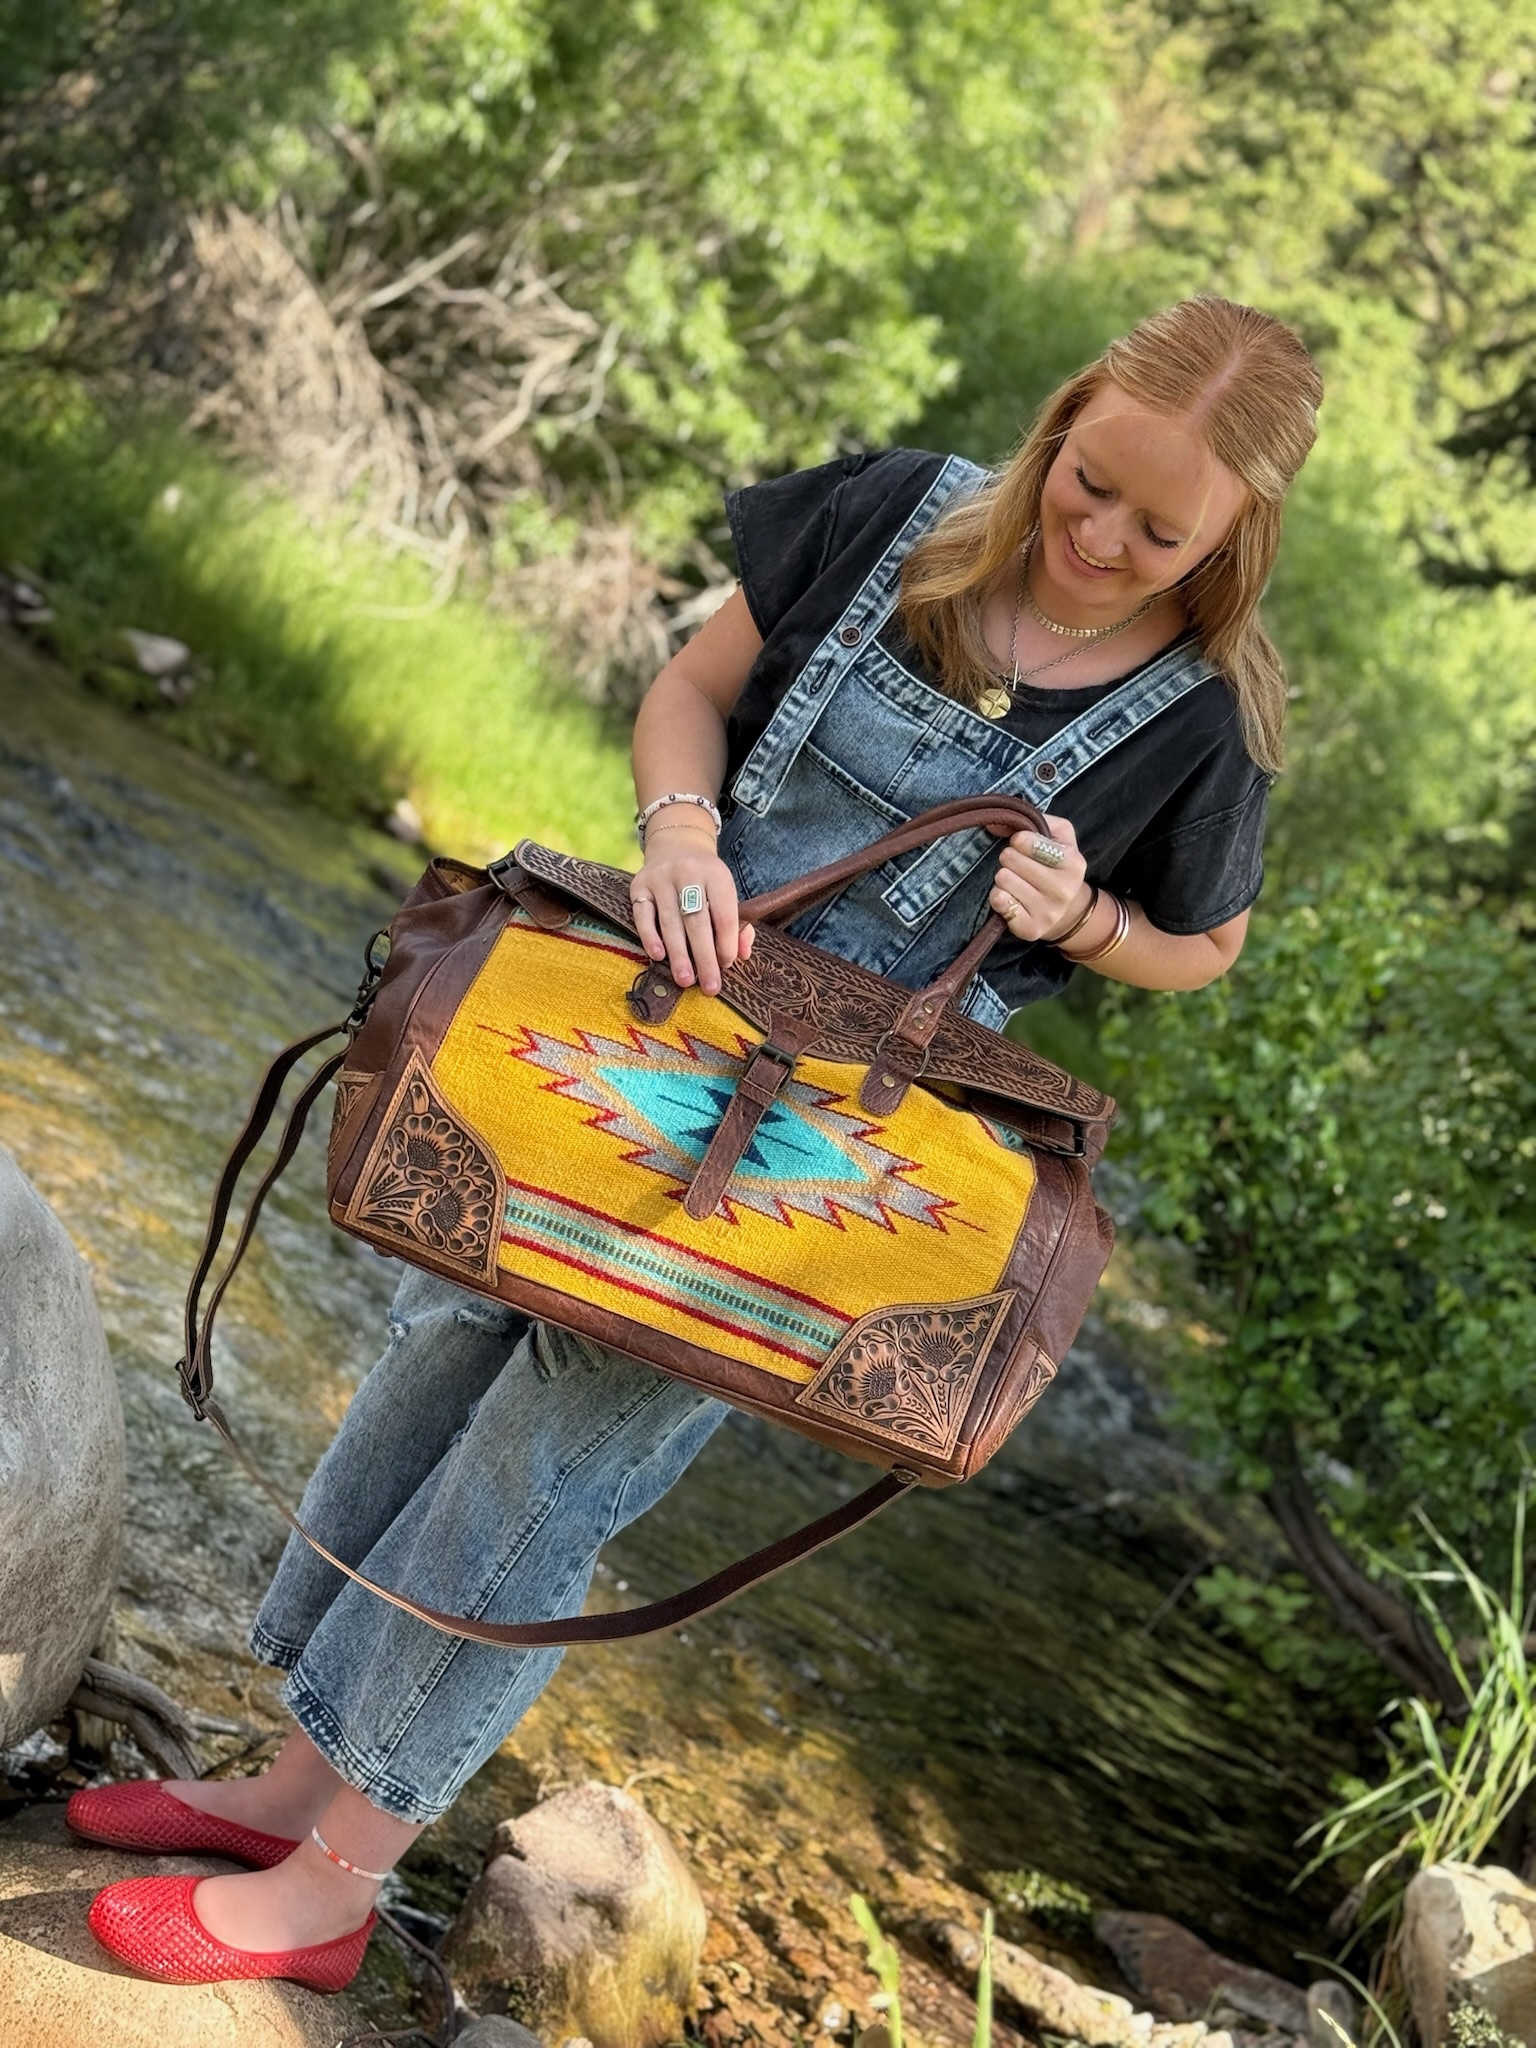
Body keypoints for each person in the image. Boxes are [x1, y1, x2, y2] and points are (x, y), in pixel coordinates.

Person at [68, 293, 1321, 1989]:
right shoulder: (899, 513)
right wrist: (679, 832)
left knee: (553, 1462)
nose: (1099, 537)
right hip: (637, 1030)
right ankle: (295, 1780)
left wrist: (1093, 918)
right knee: (452, 1345)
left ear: (1238, 536)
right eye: (1087, 482)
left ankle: (341, 1881)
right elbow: (693, 688)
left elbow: (1210, 944)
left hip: (824, 1176)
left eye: (1159, 529)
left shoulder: (1203, 720)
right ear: (1069, 415)